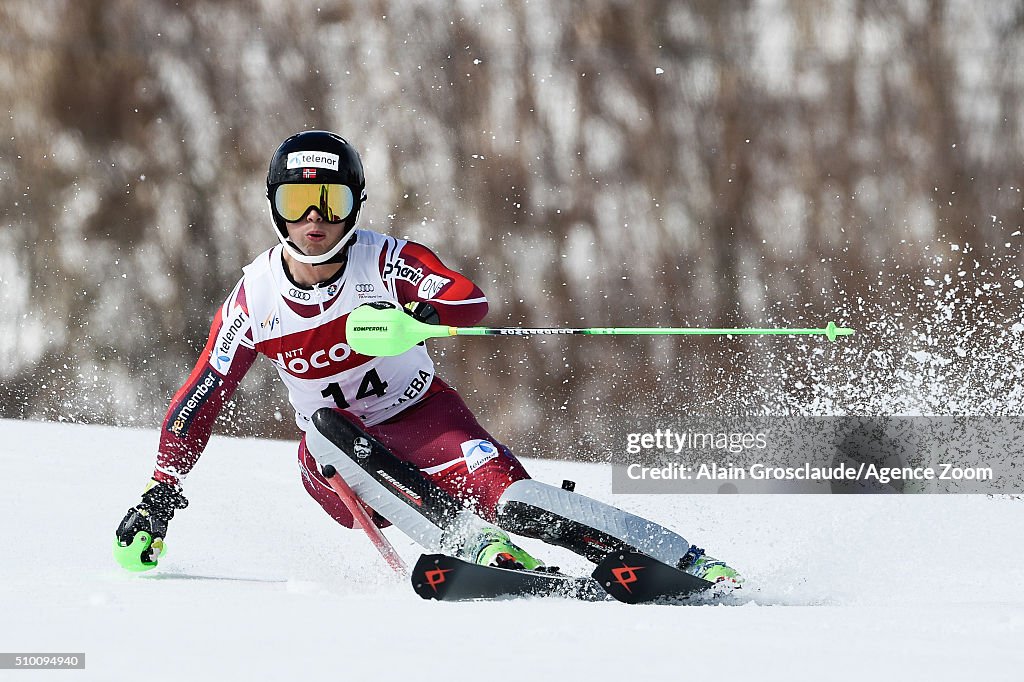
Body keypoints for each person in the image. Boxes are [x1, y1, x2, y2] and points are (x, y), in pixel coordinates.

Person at [114, 130, 740, 587]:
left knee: (515, 498)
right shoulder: (255, 298)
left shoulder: (384, 261)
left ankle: (680, 558)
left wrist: (414, 320)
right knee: (331, 433)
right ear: (273, 208)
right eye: (297, 204)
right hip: (337, 466)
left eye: (330, 202)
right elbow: (202, 394)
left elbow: (472, 300)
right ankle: (469, 542)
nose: (314, 220)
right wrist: (159, 493)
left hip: (426, 418)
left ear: (354, 203)